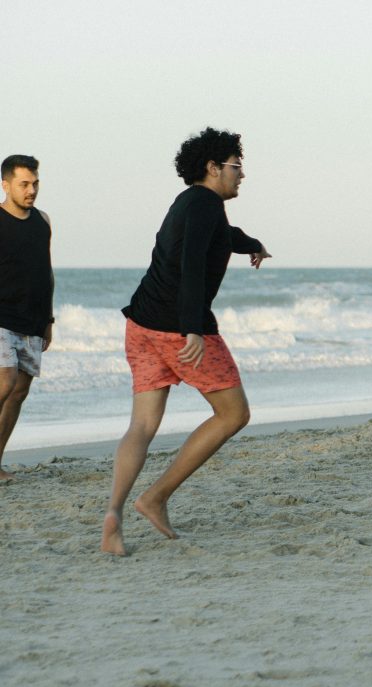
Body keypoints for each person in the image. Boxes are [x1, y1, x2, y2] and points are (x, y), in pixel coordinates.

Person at [101, 128, 271, 556]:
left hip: (141, 324)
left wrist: (254, 244)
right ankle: (155, 497)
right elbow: (193, 263)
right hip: (180, 329)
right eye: (236, 166)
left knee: (141, 425)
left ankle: (114, 517)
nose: (242, 175)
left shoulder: (194, 204)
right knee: (233, 414)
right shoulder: (205, 206)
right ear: (213, 168)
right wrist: (193, 326)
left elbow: (224, 237)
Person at [0, 155, 54, 481]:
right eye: (24, 184)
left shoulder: (43, 221)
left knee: (19, 393)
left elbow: (45, 272)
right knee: (5, 381)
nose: (31, 189)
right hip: (1, 317)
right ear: (6, 185)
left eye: (35, 183)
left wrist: (48, 319)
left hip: (33, 319)